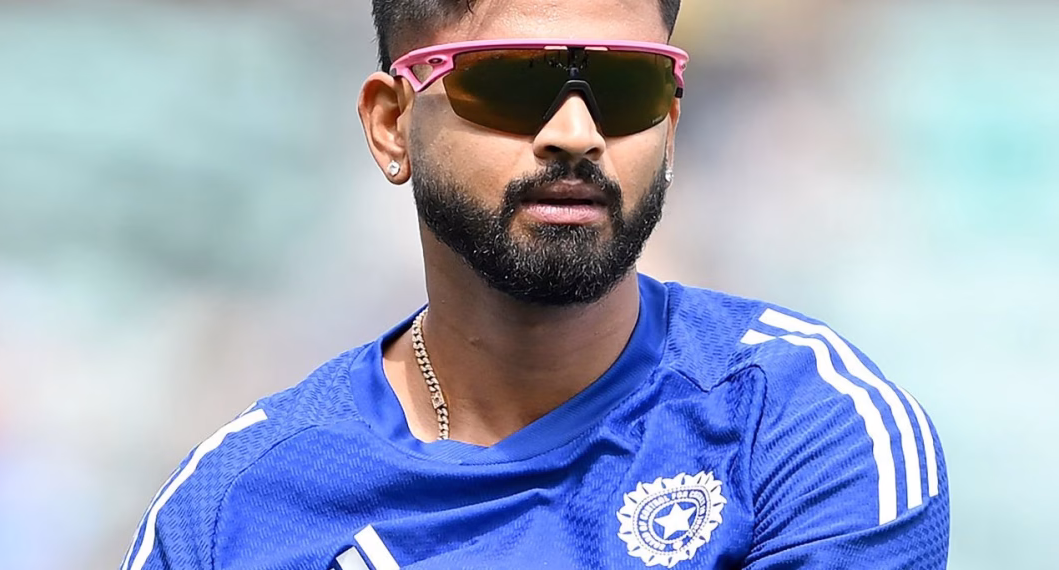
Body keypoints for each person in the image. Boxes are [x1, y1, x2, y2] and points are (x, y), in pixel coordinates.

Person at [120, 0, 950, 568]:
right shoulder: (233, 505)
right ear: (390, 124)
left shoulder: (805, 425)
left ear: (672, 120)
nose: (577, 134)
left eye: (627, 86)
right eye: (513, 81)